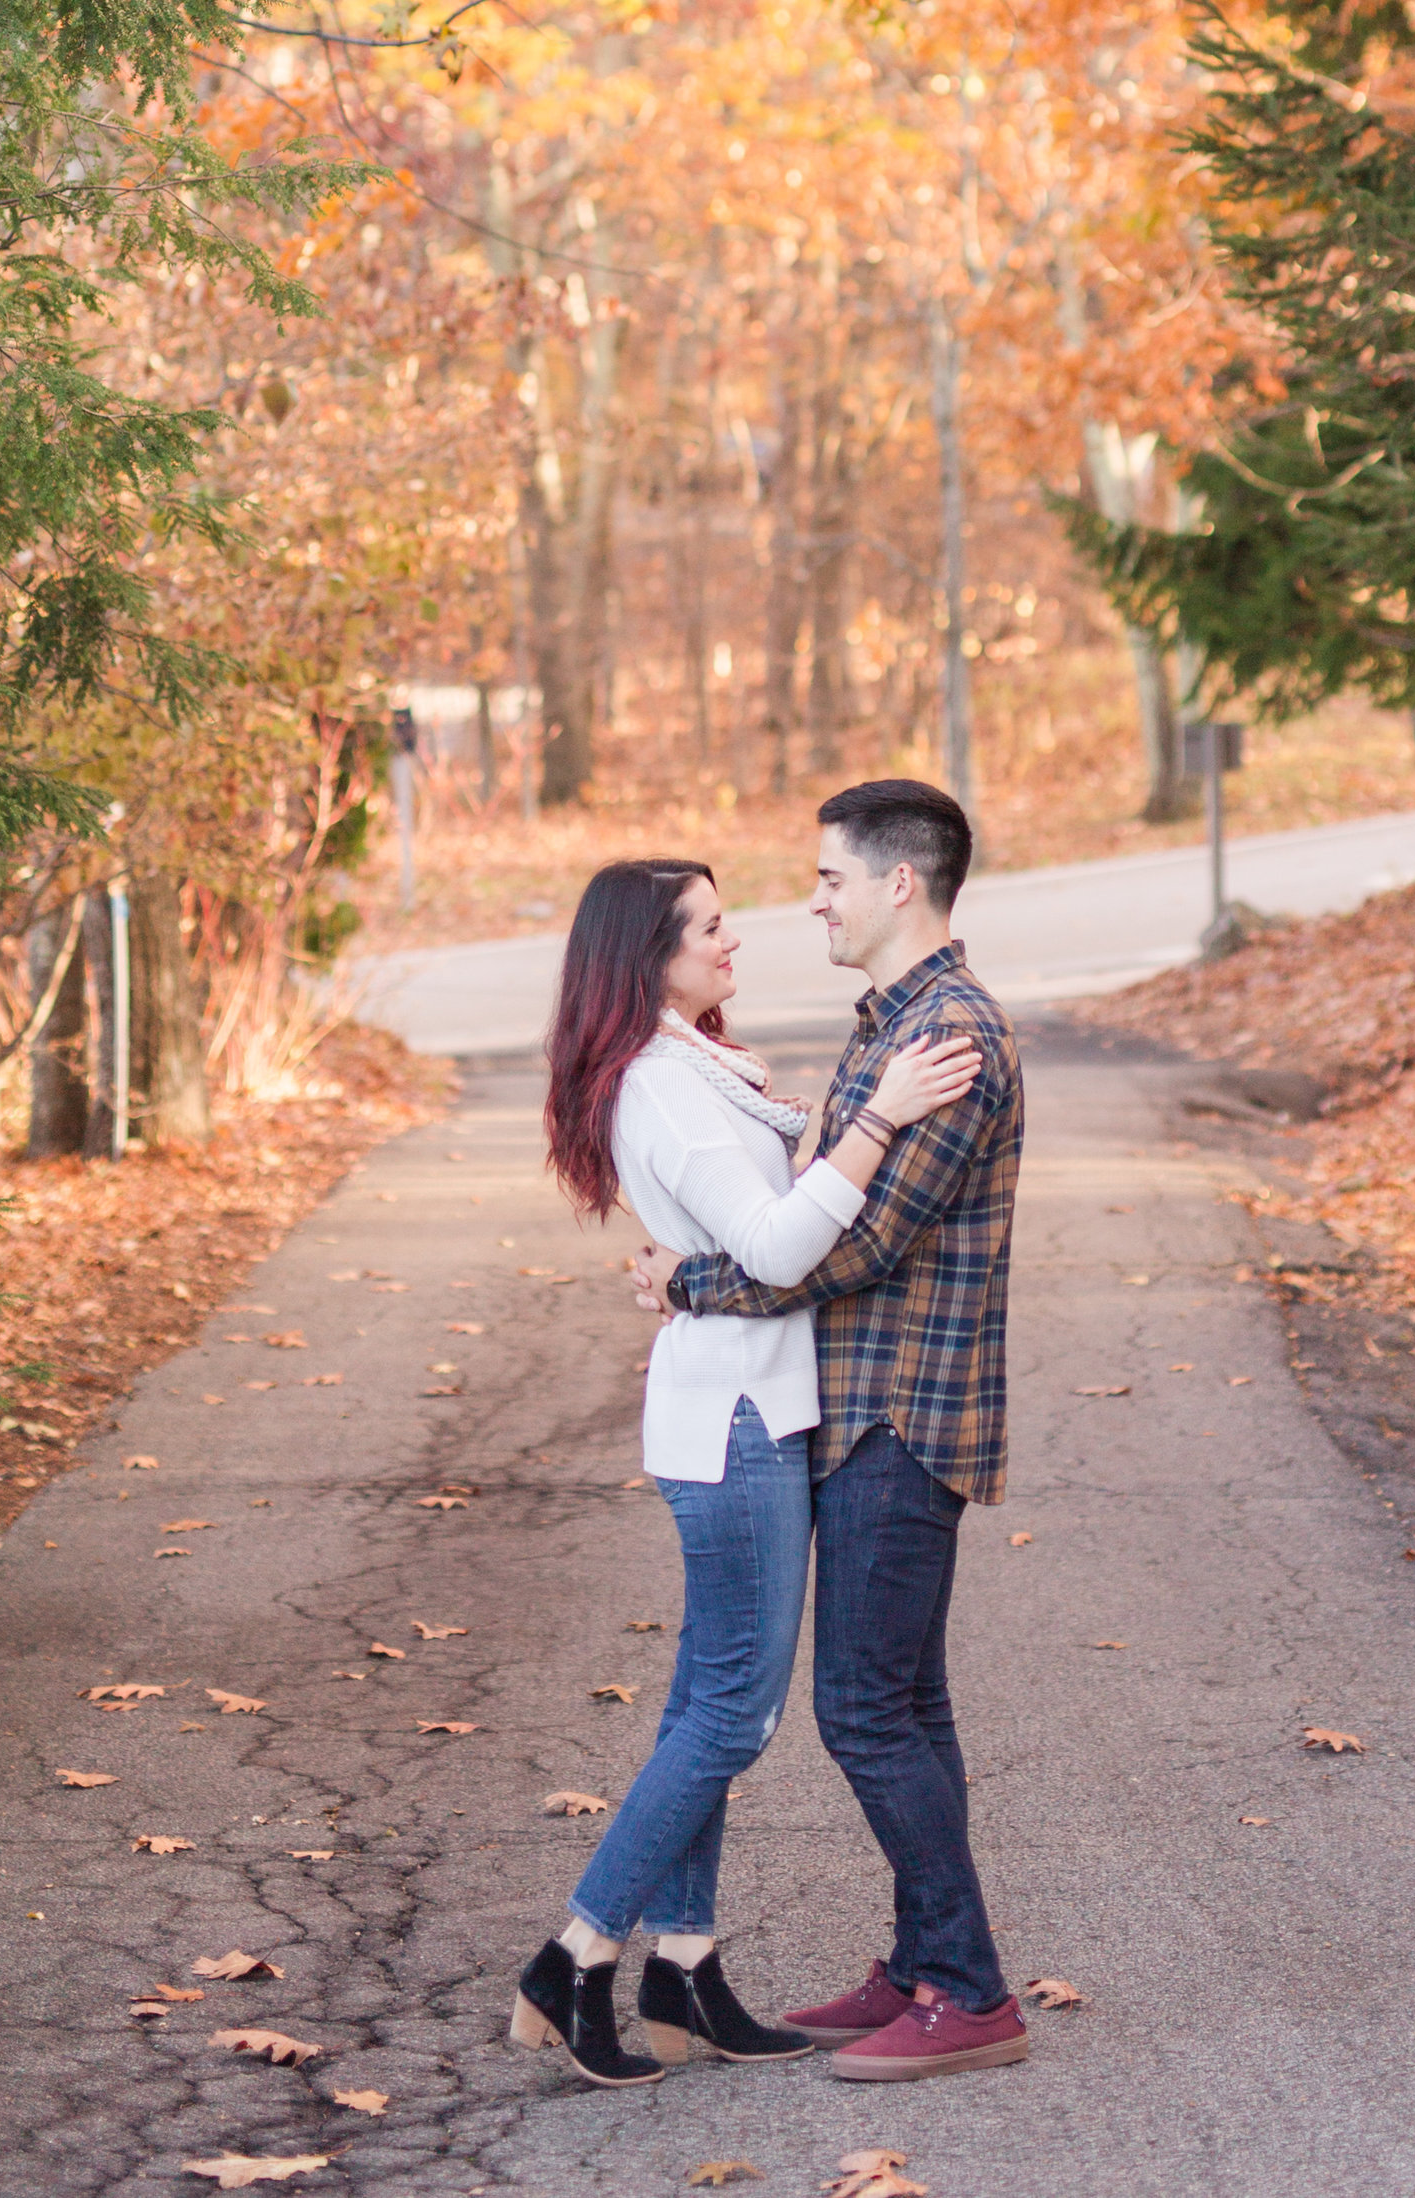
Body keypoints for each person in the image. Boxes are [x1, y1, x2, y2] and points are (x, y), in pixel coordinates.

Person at [510, 855, 982, 2091]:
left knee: (701, 1711)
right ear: (645, 954)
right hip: (732, 1420)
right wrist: (879, 1118)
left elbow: (741, 1234)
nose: (737, 942)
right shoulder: (664, 1089)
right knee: (736, 1713)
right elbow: (775, 1246)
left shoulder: (698, 1068)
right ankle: (573, 1955)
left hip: (751, 1409)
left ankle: (684, 1969)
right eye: (710, 929)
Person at [631, 776, 1028, 2083]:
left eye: (827, 877)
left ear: (897, 882)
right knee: (907, 1700)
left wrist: (689, 1279)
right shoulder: (893, 1025)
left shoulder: (950, 1038)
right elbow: (810, 1197)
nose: (811, 899)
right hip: (860, 1406)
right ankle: (926, 1961)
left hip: (898, 1412)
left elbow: (839, 1245)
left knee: (863, 1708)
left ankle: (968, 1990)